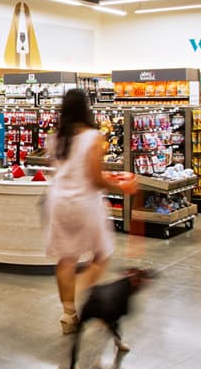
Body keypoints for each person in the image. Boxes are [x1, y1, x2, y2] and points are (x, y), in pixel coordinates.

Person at [44, 89, 135, 335]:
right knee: (102, 252)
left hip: (59, 201)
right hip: (85, 202)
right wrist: (119, 185)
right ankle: (88, 297)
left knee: (66, 258)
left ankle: (68, 314)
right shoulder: (93, 137)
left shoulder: (55, 138)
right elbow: (94, 179)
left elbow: (68, 170)